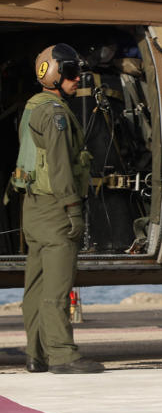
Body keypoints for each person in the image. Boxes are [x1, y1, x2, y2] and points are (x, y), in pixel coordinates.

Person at [14, 44, 102, 374]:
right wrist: (73, 210)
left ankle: (36, 353)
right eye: (70, 73)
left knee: (35, 285)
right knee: (56, 285)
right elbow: (61, 166)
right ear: (54, 75)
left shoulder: (32, 108)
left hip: (33, 208)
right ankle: (62, 354)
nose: (77, 79)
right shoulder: (56, 114)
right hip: (54, 209)